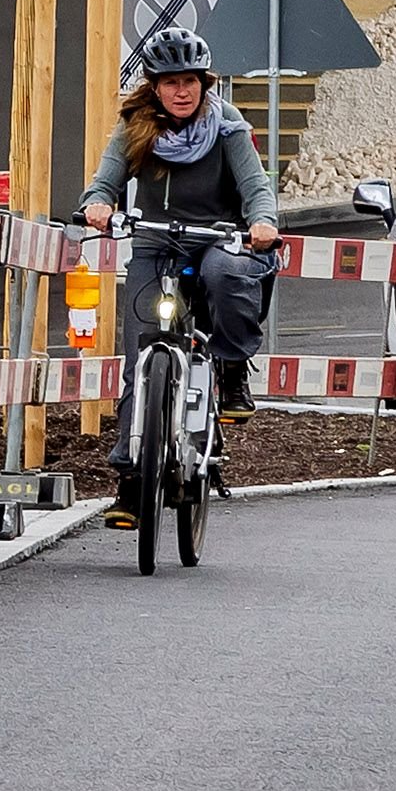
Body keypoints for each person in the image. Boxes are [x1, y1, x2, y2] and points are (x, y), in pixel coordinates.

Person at [81, 29, 279, 520]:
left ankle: (232, 369)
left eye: (190, 81)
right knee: (138, 362)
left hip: (218, 239)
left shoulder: (227, 124)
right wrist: (98, 204)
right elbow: (104, 180)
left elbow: (255, 185)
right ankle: (131, 481)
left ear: (204, 83)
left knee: (225, 273)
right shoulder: (134, 128)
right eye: (171, 82)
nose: (182, 91)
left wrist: (262, 221)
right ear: (155, 87)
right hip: (155, 244)